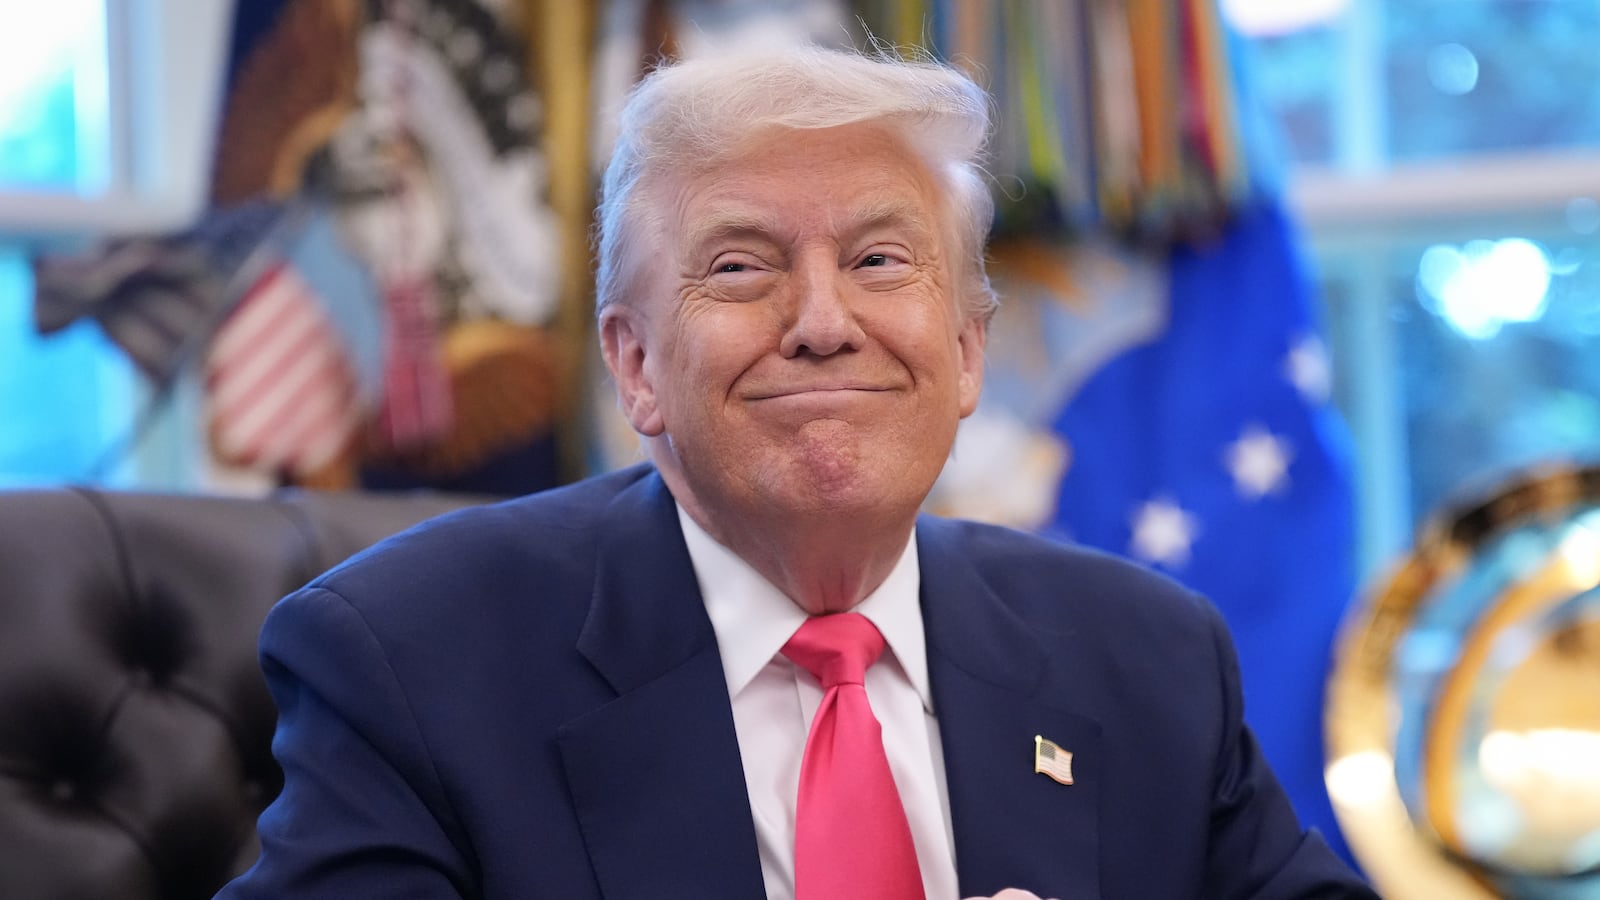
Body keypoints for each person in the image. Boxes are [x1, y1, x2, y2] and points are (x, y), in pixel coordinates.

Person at [217, 45, 1379, 900]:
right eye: (738, 267)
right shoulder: (409, 660)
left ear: (967, 351)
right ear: (633, 366)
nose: (824, 322)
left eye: (879, 259)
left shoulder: (1147, 659)